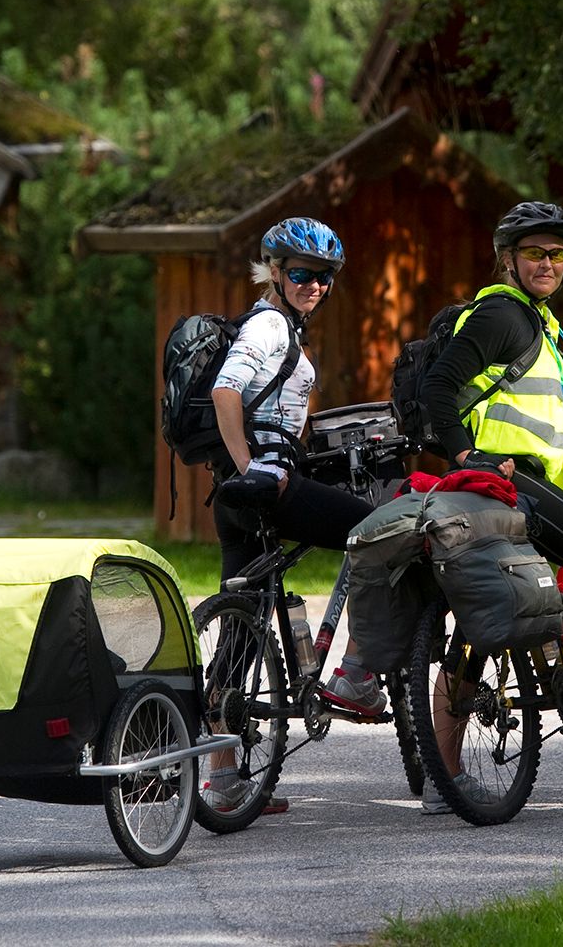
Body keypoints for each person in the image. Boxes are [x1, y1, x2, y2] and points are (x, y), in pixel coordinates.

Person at [419, 201, 563, 812]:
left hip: (519, 481)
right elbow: (438, 388)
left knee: (478, 625)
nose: (548, 264)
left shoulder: (535, 322)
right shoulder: (505, 315)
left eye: (556, 255)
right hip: (507, 481)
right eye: (534, 254)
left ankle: (443, 780)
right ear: (507, 260)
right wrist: (466, 454)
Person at [200, 216, 386, 813]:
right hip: (260, 488)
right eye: (302, 273)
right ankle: (357, 668)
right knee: (378, 532)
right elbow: (226, 393)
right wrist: (250, 465)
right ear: (274, 272)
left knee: (242, 628)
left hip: (235, 496)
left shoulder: (283, 329)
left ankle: (224, 781)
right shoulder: (271, 327)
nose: (314, 285)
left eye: (325, 277)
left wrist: (248, 471)